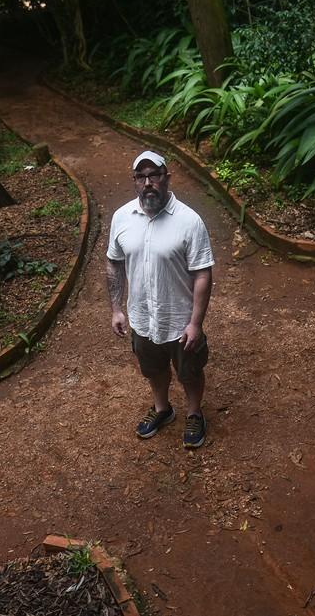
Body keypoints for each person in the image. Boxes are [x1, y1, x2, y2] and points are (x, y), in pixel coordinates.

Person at [106, 149, 214, 449]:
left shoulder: (189, 221)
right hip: (142, 317)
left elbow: (202, 274)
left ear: (167, 178)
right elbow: (114, 262)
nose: (148, 183)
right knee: (153, 369)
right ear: (134, 181)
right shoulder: (122, 217)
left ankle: (194, 413)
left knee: (189, 372)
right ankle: (162, 409)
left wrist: (196, 323)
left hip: (180, 320)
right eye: (140, 177)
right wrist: (116, 309)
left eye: (154, 175)